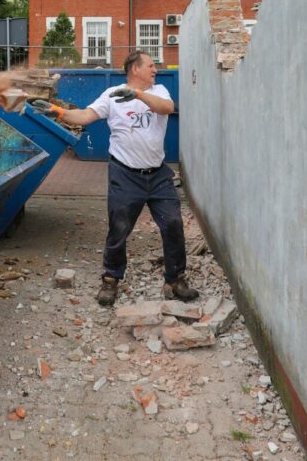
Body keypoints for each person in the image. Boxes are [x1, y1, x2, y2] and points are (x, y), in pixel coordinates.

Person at [31, 51, 198, 306]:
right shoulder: (112, 95)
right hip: (125, 174)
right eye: (151, 65)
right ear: (135, 68)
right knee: (119, 228)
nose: (156, 69)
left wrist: (139, 95)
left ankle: (175, 279)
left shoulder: (159, 91)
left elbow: (168, 108)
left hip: (158, 175)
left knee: (173, 223)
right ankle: (111, 279)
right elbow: (86, 116)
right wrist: (56, 111)